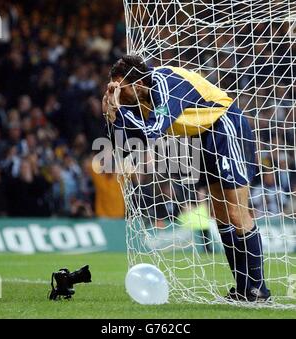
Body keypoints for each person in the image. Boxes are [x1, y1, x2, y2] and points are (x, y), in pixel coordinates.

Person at [102, 54, 271, 302]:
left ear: (137, 83)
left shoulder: (165, 83)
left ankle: (259, 290)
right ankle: (243, 287)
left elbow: (152, 132)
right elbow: (125, 146)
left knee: (236, 213)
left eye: (122, 88)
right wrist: (111, 116)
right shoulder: (135, 99)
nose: (120, 94)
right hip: (203, 136)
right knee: (220, 213)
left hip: (226, 125)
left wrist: (120, 110)